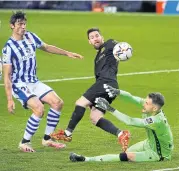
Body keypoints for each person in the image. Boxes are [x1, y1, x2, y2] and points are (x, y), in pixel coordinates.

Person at [2, 11, 83, 153]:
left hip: (34, 82)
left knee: (58, 103)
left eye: (24, 24)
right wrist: (9, 99)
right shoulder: (8, 48)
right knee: (39, 109)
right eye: (20, 24)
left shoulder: (30, 37)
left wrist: (67, 53)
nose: (23, 27)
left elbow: (46, 47)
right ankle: (24, 142)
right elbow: (7, 75)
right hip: (20, 85)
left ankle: (47, 139)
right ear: (12, 26)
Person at [51, 27, 130, 150]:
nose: (95, 39)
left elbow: (120, 46)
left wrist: (123, 50)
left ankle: (67, 133)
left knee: (80, 103)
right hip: (108, 87)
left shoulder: (109, 44)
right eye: (92, 38)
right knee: (95, 117)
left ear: (102, 37)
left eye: (97, 36)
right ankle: (121, 134)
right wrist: (93, 98)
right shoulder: (97, 58)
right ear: (89, 42)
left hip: (106, 82)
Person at [69, 84, 174, 162]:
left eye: (146, 103)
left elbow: (130, 121)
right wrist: (118, 92)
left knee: (127, 157)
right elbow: (132, 98)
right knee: (126, 152)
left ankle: (86, 159)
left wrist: (110, 109)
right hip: (148, 143)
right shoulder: (153, 109)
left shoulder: (156, 120)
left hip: (158, 153)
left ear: (154, 108)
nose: (143, 104)